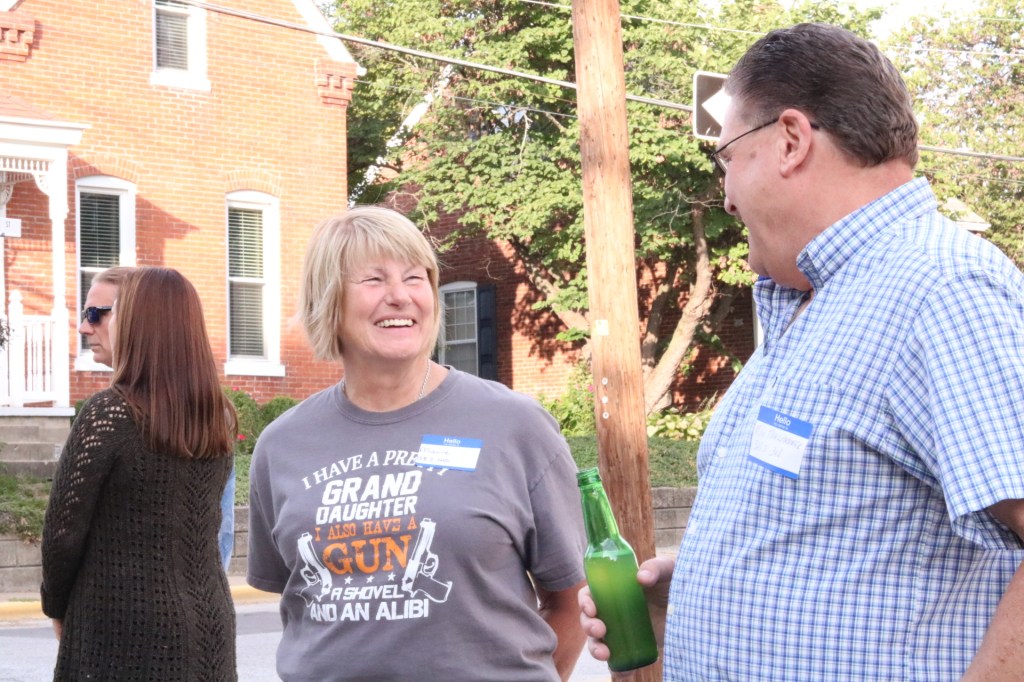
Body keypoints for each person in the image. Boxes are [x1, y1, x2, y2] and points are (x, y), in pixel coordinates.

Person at [580, 22, 1024, 681]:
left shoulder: (943, 288)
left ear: (791, 140)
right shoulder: (817, 303)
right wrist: (698, 594)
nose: (727, 196)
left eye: (728, 159)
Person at [247, 205, 588, 681]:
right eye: (373, 280)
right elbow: (301, 601)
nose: (400, 296)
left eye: (415, 277)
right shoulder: (282, 445)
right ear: (328, 300)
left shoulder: (515, 425)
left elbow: (572, 598)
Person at [42, 267, 239, 681]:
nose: (88, 326)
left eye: (106, 313)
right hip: (209, 627)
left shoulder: (109, 413)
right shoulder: (216, 416)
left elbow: (62, 533)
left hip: (122, 630)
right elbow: (214, 530)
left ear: (140, 322)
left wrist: (56, 605)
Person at [79, 265, 237, 572]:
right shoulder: (208, 412)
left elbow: (218, 538)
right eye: (85, 315)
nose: (85, 327)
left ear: (139, 317)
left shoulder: (207, 416)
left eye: (96, 314)